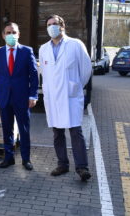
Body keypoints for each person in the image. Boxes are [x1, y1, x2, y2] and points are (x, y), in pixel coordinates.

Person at [39, 15, 92, 181]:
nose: (52, 27)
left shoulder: (75, 45)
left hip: (70, 97)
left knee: (76, 132)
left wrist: (74, 86)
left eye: (55, 24)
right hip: (53, 97)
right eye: (49, 25)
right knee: (57, 133)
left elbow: (86, 69)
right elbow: (44, 73)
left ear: (62, 26)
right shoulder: (43, 49)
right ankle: (62, 164)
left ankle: (82, 167)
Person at [0, 22, 38, 170]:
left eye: (14, 32)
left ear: (19, 34)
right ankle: (8, 158)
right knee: (7, 129)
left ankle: (26, 159)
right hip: (4, 97)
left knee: (24, 129)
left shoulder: (27, 51)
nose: (11, 35)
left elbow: (34, 76)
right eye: (8, 32)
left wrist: (33, 95)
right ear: (3, 35)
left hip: (22, 97)